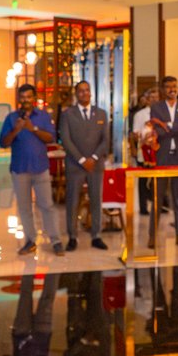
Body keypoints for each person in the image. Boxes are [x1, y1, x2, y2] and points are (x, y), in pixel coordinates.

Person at [1, 83, 62, 256]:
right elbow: (3, 142)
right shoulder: (12, 118)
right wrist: (17, 129)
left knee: (47, 205)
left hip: (40, 167)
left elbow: (51, 138)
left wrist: (32, 128)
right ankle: (30, 241)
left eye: (29, 97)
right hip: (20, 169)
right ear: (19, 99)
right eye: (22, 97)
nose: (26, 100)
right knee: (24, 208)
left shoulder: (42, 116)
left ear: (34, 98)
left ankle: (56, 241)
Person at [59, 80, 111, 251]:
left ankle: (96, 235)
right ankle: (72, 237)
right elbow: (65, 140)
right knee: (73, 201)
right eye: (80, 91)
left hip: (96, 165)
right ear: (76, 94)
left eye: (87, 90)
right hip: (75, 165)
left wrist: (94, 158)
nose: (84, 93)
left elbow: (106, 140)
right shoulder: (67, 114)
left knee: (96, 199)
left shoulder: (102, 114)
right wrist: (82, 160)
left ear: (91, 92)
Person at [149, 75, 178, 248]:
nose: (172, 89)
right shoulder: (156, 107)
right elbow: (159, 132)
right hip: (163, 157)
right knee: (158, 197)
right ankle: (152, 235)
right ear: (163, 89)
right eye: (168, 86)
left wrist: (169, 126)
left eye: (175, 86)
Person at [130, 86, 159, 215]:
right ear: (146, 100)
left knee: (157, 179)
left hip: (158, 151)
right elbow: (134, 133)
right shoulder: (140, 115)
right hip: (144, 151)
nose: (154, 100)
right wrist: (145, 137)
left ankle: (158, 205)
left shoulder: (162, 113)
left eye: (156, 98)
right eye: (151, 98)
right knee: (143, 180)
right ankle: (143, 207)